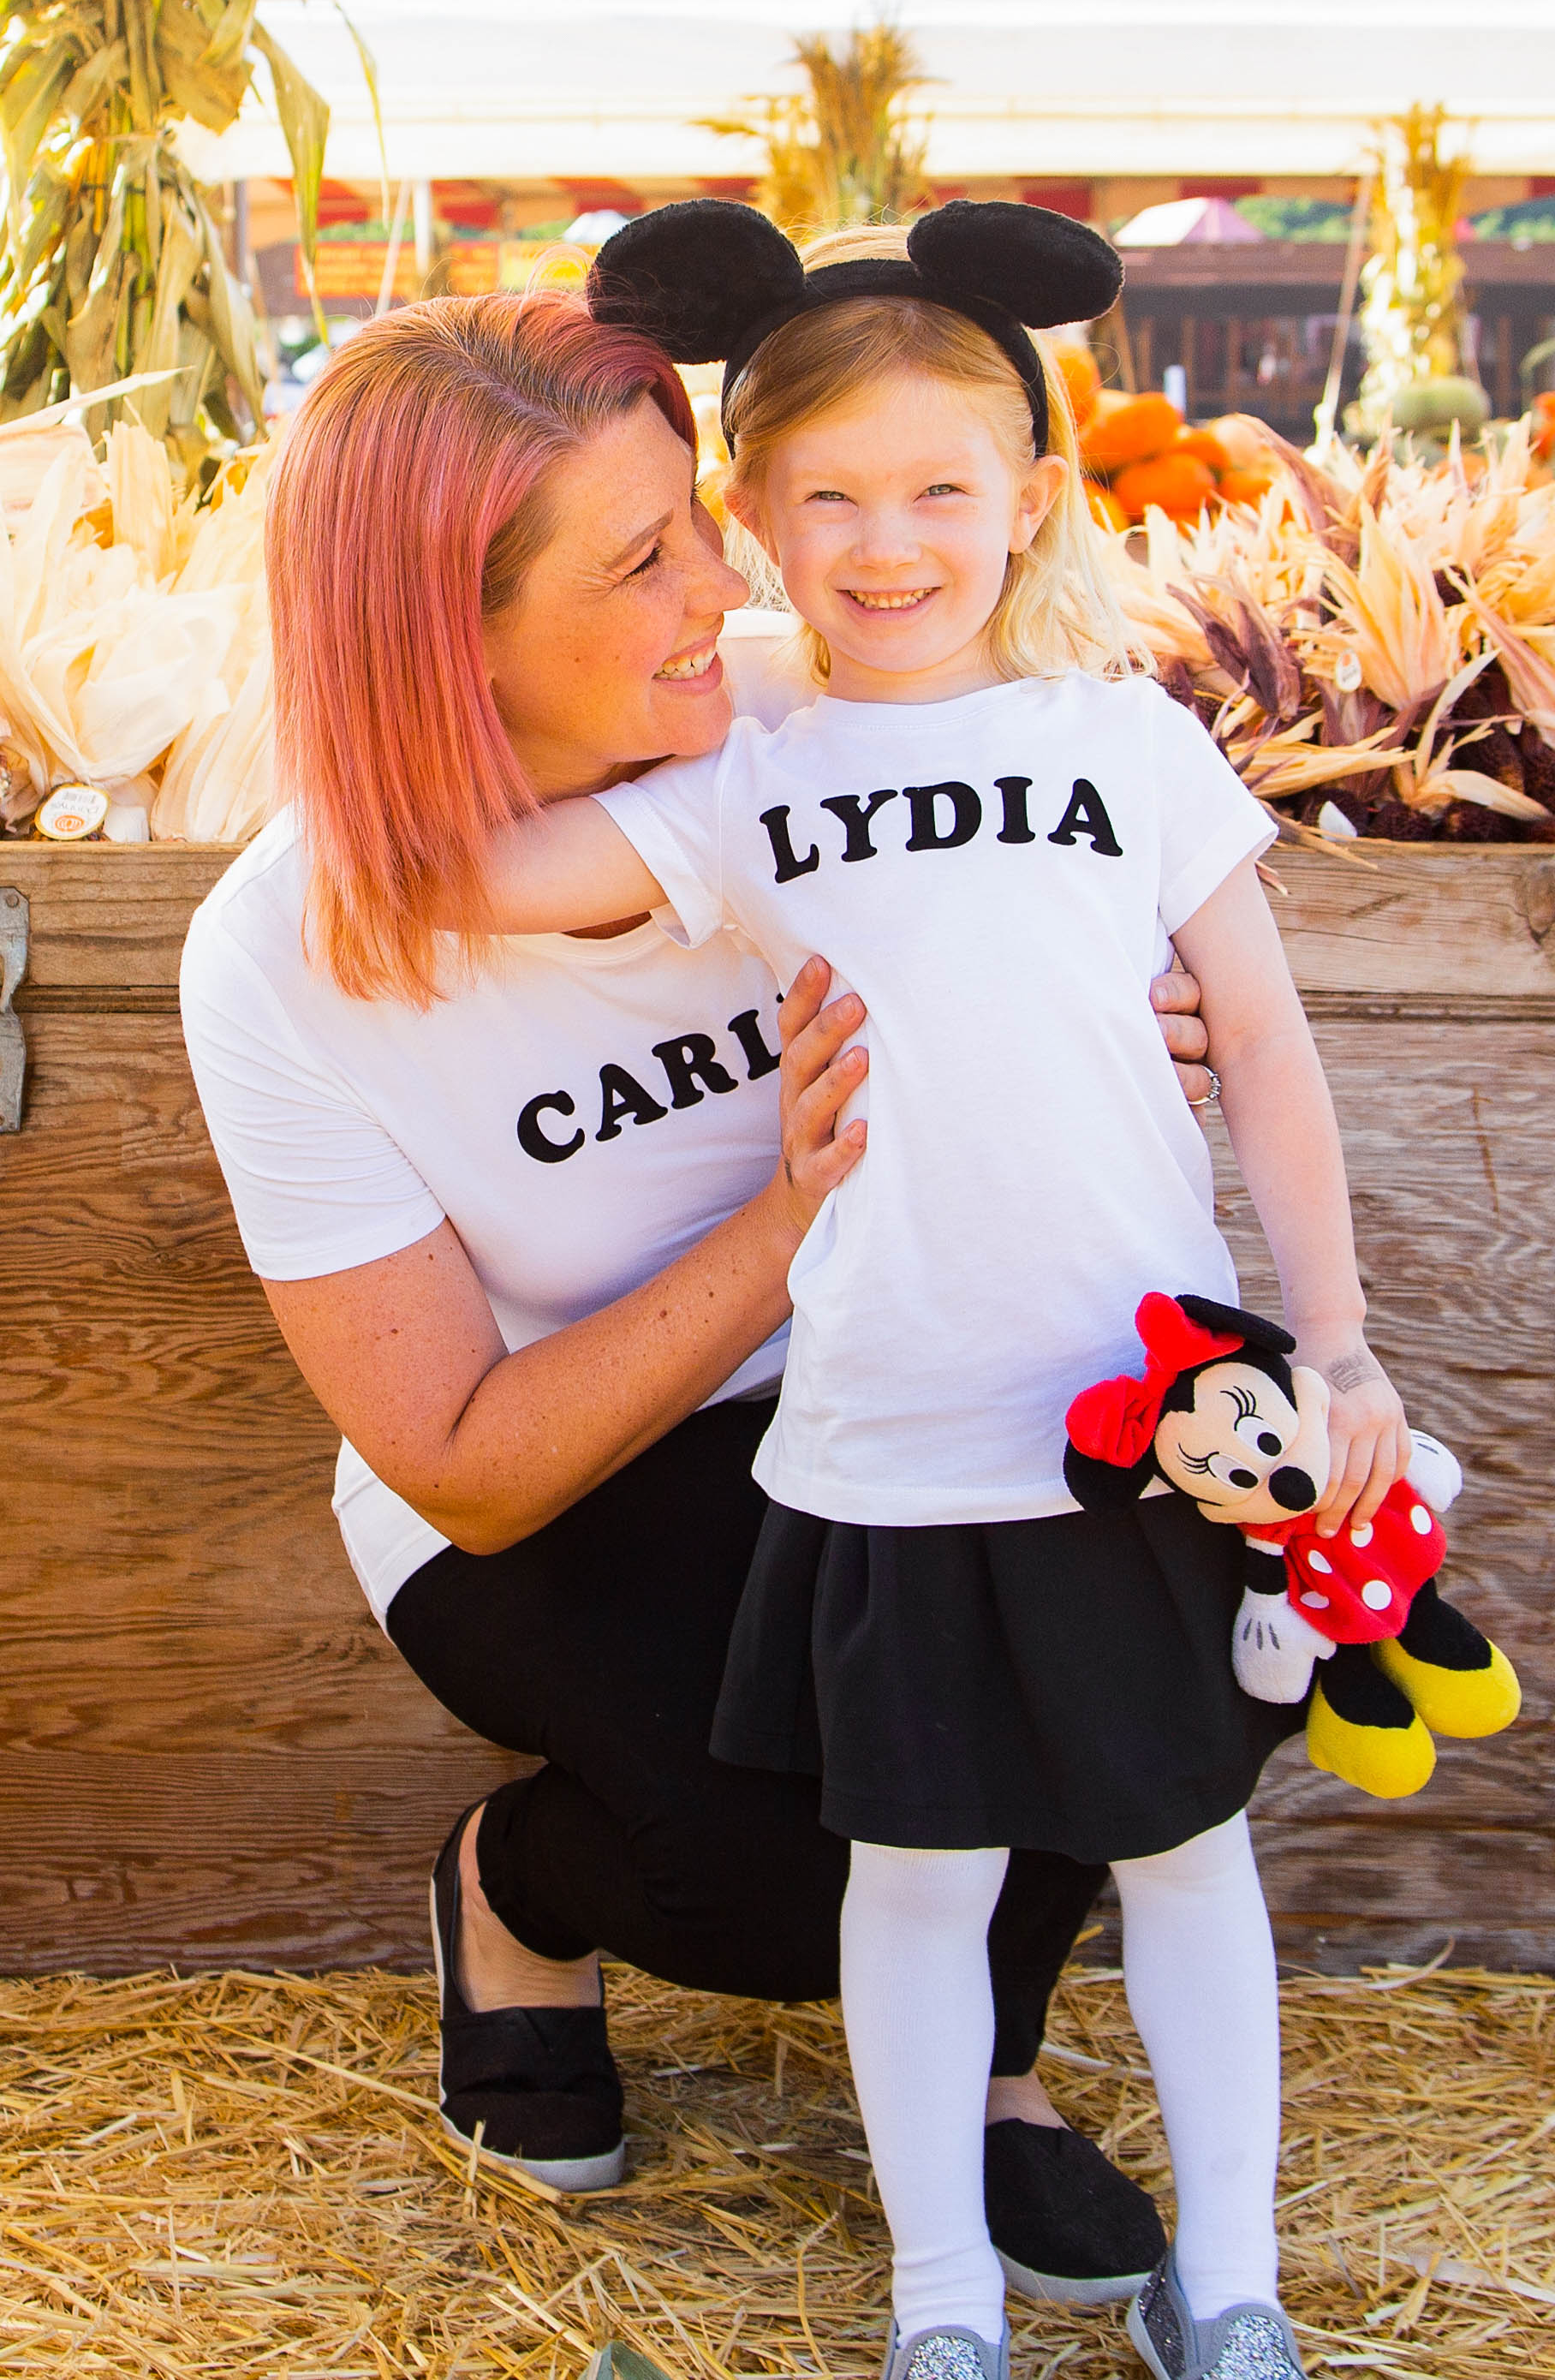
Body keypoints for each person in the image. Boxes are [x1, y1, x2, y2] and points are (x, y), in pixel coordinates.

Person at [178, 281, 1217, 2300]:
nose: (727, 579)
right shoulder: (275, 957)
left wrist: (1107, 1011)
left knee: (1143, 1567)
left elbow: (1111, 890)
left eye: (699, 518)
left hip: (907, 1370)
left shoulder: (820, 720)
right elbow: (467, 1464)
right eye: (643, 556)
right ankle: (523, 1889)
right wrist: (794, 1206)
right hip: (574, 1468)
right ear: (438, 633)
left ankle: (985, 2054)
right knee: (767, 1880)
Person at [466, 202, 1412, 2380]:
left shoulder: (1124, 745)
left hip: (1147, 1435)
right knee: (915, 1876)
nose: (884, 546)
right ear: (751, 521)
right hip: (889, 1433)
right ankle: (941, 2308)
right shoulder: (743, 778)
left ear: (1028, 501)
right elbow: (474, 875)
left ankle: (1238, 2288)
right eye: (826, 500)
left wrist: (1335, 1337)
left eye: (936, 493)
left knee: (1178, 1857)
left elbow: (1259, 1046)